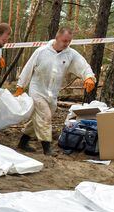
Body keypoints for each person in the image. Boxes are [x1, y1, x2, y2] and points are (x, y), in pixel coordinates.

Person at [15, 27, 95, 156]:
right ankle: (47, 149)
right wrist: (20, 86)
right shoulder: (41, 51)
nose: (66, 43)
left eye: (69, 41)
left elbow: (83, 65)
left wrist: (89, 77)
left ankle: (23, 142)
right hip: (37, 91)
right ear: (57, 37)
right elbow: (28, 68)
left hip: (52, 94)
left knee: (39, 118)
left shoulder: (70, 54)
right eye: (64, 40)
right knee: (45, 117)